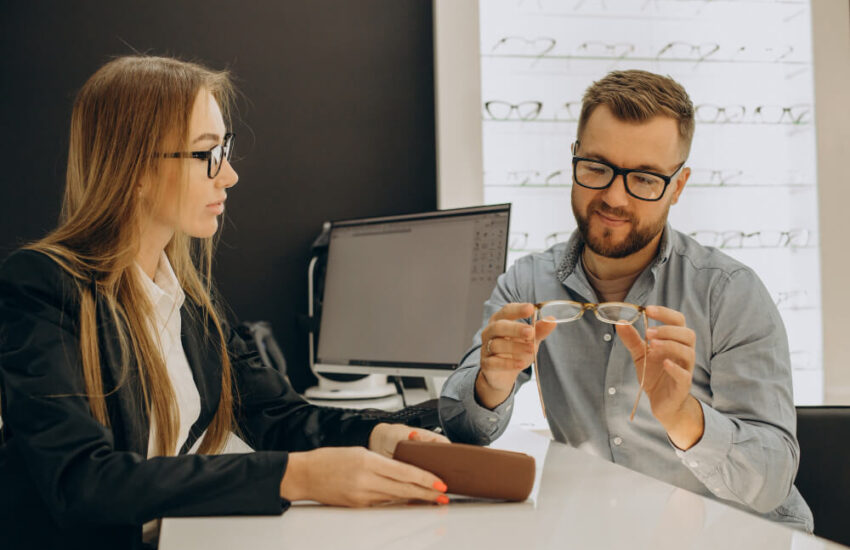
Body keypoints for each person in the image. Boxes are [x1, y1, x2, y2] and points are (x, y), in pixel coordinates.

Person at [0, 55, 450, 550]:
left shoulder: (188, 299)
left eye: (225, 149)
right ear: (136, 170)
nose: (230, 175)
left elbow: (277, 415)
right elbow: (82, 482)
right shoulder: (43, 286)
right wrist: (295, 477)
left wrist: (382, 437)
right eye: (207, 153)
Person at [439, 69, 813, 531]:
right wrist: (490, 385)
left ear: (677, 186)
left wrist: (684, 418)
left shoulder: (729, 292)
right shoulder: (526, 284)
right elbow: (461, 427)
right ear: (574, 159)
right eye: (597, 168)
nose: (614, 196)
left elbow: (773, 479)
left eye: (645, 178)